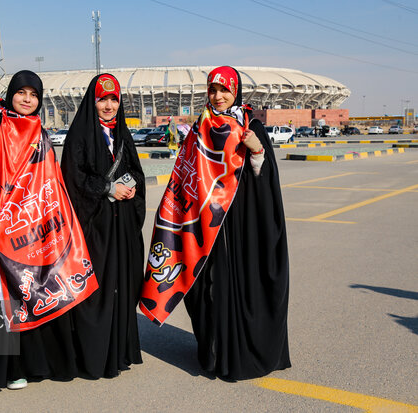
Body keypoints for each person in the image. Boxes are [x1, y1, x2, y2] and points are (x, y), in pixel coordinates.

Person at [0, 70, 96, 397]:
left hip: (24, 232)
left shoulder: (39, 133)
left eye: (33, 94)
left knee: (21, 297)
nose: (27, 99)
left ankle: (13, 366)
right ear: (10, 93)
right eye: (21, 92)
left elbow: (49, 182)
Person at [139, 66, 290, 381]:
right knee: (210, 292)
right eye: (213, 90)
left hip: (241, 227)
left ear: (235, 90)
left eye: (224, 89)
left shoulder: (251, 126)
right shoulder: (199, 129)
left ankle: (244, 354)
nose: (218, 96)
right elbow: (185, 176)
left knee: (243, 288)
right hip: (204, 231)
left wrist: (257, 152)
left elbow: (267, 185)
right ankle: (215, 354)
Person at [61, 73, 146, 379]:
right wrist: (107, 189)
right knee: (95, 288)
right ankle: (93, 356)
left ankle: (119, 351)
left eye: (113, 99)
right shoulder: (80, 134)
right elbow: (73, 176)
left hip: (121, 225)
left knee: (121, 286)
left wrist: (133, 186)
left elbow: (134, 169)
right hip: (94, 226)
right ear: (91, 101)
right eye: (102, 99)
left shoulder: (122, 134)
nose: (108, 105)